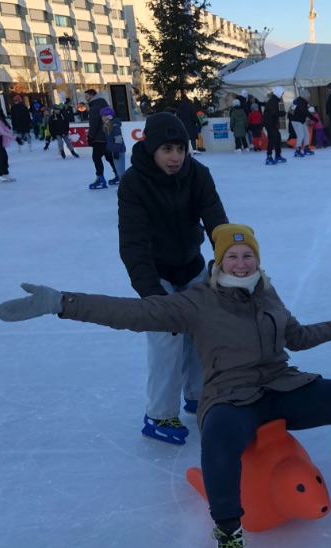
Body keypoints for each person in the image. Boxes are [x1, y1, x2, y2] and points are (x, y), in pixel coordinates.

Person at [0, 222, 331, 548]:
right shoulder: (197, 301)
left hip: (280, 385)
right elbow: (133, 313)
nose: (241, 263)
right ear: (219, 261)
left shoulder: (267, 292)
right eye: (232, 256)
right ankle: (229, 535)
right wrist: (62, 303)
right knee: (217, 438)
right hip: (231, 395)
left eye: (248, 255)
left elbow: (296, 336)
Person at [113, 111, 229, 443]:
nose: (175, 157)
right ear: (151, 148)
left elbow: (217, 222)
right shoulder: (134, 183)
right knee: (167, 336)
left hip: (191, 265)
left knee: (202, 331)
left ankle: (199, 395)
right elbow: (133, 243)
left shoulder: (198, 174)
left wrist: (230, 262)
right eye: (167, 149)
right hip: (156, 271)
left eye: (180, 148)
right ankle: (160, 414)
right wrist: (153, 293)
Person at [85, 89, 117, 189]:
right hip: (108, 136)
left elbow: (94, 124)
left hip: (99, 138)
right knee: (109, 157)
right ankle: (118, 174)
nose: (85, 98)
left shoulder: (94, 107)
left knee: (96, 157)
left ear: (91, 96)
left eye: (86, 96)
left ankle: (100, 179)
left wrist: (90, 137)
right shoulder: (104, 103)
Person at [101, 106, 126, 183]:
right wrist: (109, 148)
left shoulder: (114, 125)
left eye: (103, 116)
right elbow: (110, 139)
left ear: (109, 116)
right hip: (115, 150)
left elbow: (118, 139)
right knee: (119, 170)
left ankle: (124, 186)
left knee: (120, 171)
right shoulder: (108, 125)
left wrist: (116, 150)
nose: (102, 118)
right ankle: (123, 185)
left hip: (118, 151)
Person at [263, 86, 286, 165]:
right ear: (278, 93)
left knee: (277, 138)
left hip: (272, 123)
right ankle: (269, 156)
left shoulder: (274, 100)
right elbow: (274, 112)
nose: (282, 95)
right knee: (273, 139)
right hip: (269, 123)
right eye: (282, 94)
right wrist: (282, 113)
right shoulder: (273, 101)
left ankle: (278, 155)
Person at [290, 89, 316, 157]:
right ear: (304, 97)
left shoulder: (304, 103)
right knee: (301, 135)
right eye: (308, 97)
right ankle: (297, 150)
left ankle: (306, 148)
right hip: (296, 121)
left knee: (306, 134)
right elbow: (306, 113)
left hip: (302, 120)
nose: (309, 98)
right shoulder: (300, 103)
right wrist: (315, 119)